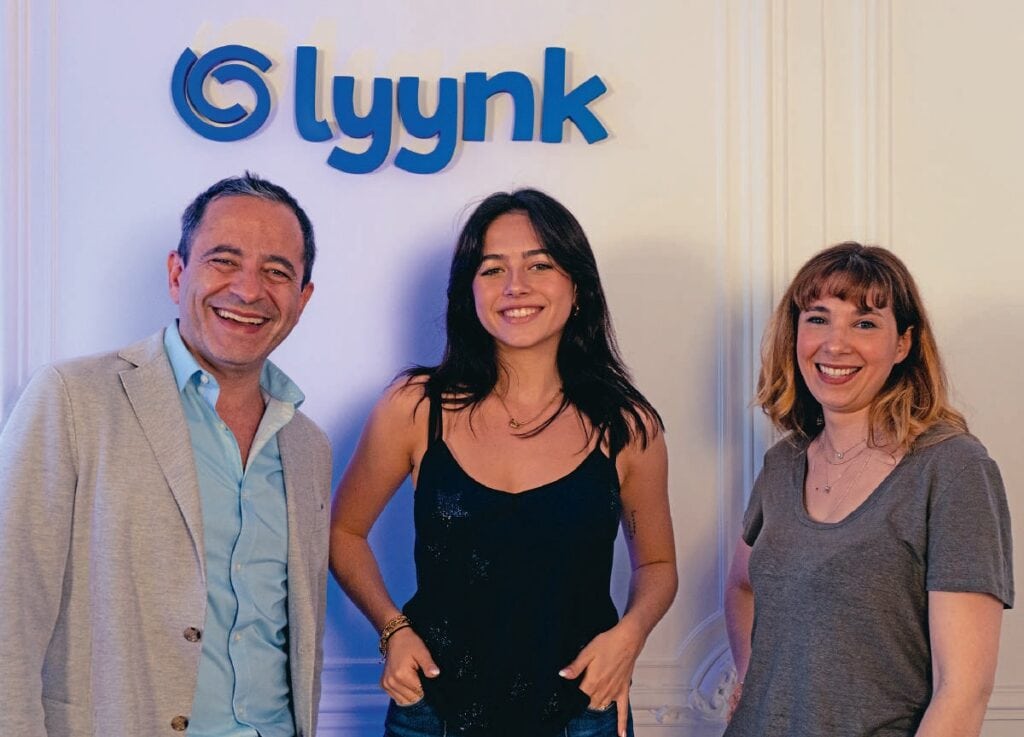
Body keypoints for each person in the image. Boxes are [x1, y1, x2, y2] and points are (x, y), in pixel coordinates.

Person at [330, 189, 677, 737]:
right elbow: (344, 531)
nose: (516, 286)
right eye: (493, 269)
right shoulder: (417, 407)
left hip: (582, 713)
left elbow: (657, 566)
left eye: (540, 264)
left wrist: (628, 638)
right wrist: (393, 630)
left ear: (578, 288)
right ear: (469, 291)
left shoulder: (627, 427)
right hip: (433, 710)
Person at [0, 173, 333, 737]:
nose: (249, 290)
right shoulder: (72, 399)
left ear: (302, 299)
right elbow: (10, 608)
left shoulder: (306, 445)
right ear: (178, 273)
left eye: (277, 272)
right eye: (224, 260)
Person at [723, 242, 1014, 737]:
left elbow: (963, 692)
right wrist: (755, 678)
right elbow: (741, 585)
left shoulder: (953, 468)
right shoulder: (784, 462)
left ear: (902, 344)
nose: (835, 345)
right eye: (817, 319)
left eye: (864, 323)